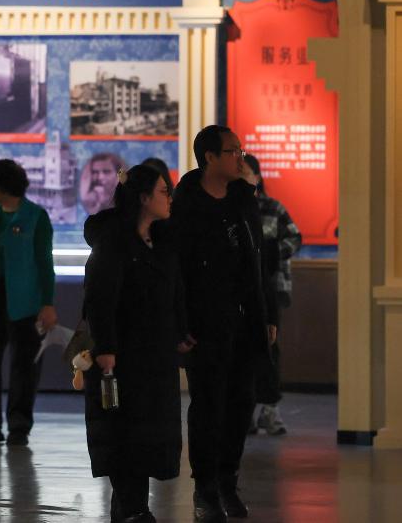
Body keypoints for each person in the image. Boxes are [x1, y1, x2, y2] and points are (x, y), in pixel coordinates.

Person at [171, 126, 279, 522]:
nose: (240, 157)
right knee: (208, 406)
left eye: (240, 150)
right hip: (204, 324)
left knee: (240, 404)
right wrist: (180, 324)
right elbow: (177, 272)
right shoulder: (185, 204)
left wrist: (268, 315)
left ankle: (228, 482)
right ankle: (205, 489)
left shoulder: (243, 200)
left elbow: (257, 261)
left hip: (245, 321)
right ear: (211, 157)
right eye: (232, 151)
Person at [83, 164, 190, 523]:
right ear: (144, 198)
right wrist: (106, 349)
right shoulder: (114, 241)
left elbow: (174, 293)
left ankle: (134, 509)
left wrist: (180, 331)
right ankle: (132, 509)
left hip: (155, 356)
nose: (169, 199)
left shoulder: (160, 242)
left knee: (149, 433)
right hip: (124, 357)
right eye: (164, 191)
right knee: (125, 433)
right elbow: (101, 299)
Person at [0, 158, 57, 447]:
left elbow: (45, 263)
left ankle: (19, 425)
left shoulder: (35, 216)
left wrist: (48, 303)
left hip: (25, 302)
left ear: (6, 185)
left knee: (24, 366)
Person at [242, 154, 301, 436]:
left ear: (258, 176)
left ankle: (269, 409)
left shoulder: (273, 208)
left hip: (272, 288)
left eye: (247, 173)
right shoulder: (232, 209)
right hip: (242, 291)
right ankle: (248, 410)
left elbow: (294, 237)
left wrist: (272, 255)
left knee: (269, 348)